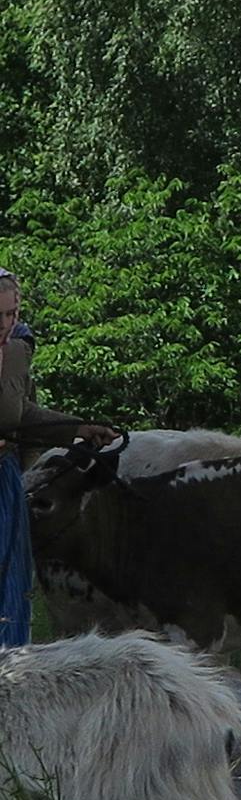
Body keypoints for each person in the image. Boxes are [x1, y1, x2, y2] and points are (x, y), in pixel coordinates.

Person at [0, 270, 115, 644]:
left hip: (3, 479)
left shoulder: (15, 353)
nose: (5, 324)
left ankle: (9, 664)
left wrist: (79, 428)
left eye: (11, 314)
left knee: (9, 580)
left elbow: (19, 414)